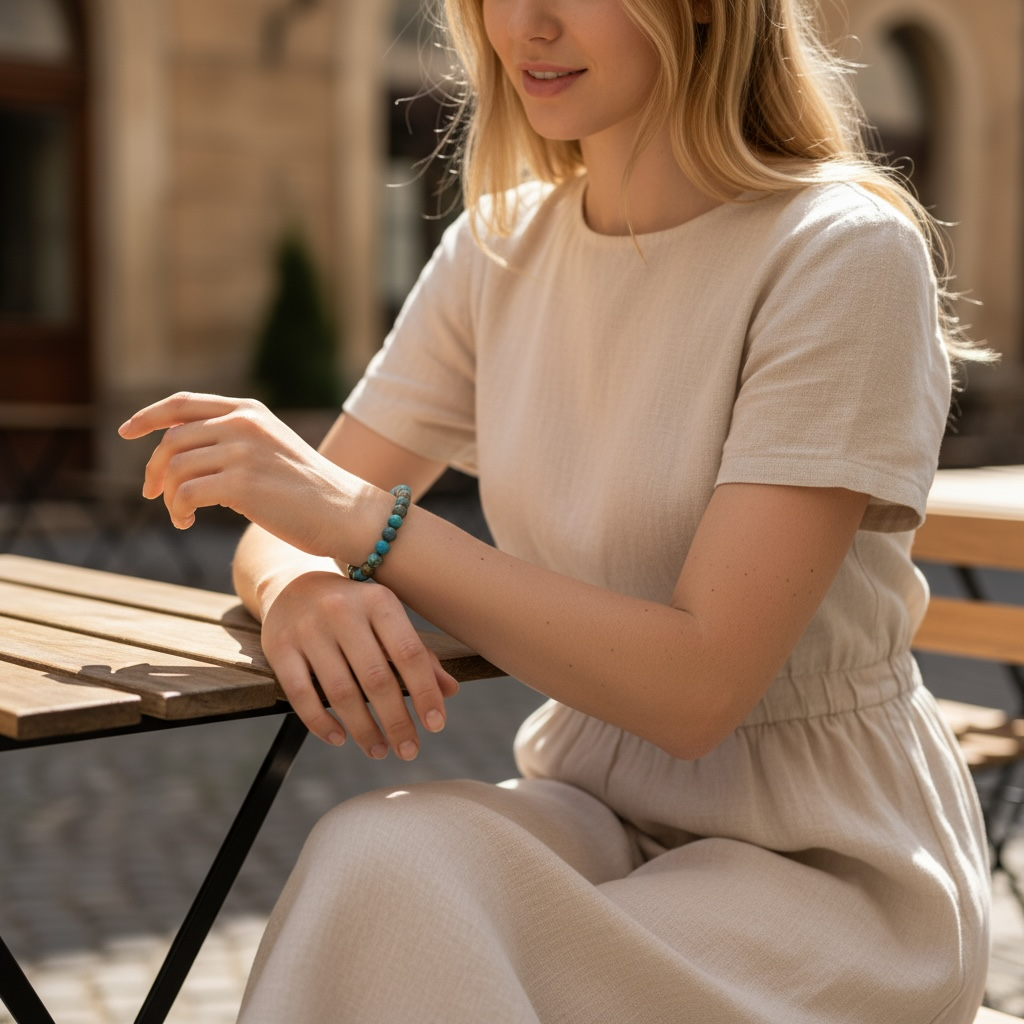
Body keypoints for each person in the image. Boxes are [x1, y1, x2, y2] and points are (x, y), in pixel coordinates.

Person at [119, 0, 994, 1019]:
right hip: (597, 810)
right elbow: (290, 518)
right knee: (377, 857)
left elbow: (697, 687)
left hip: (830, 868)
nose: (520, 25)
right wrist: (301, 589)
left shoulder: (839, 251)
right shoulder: (498, 250)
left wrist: (368, 532)